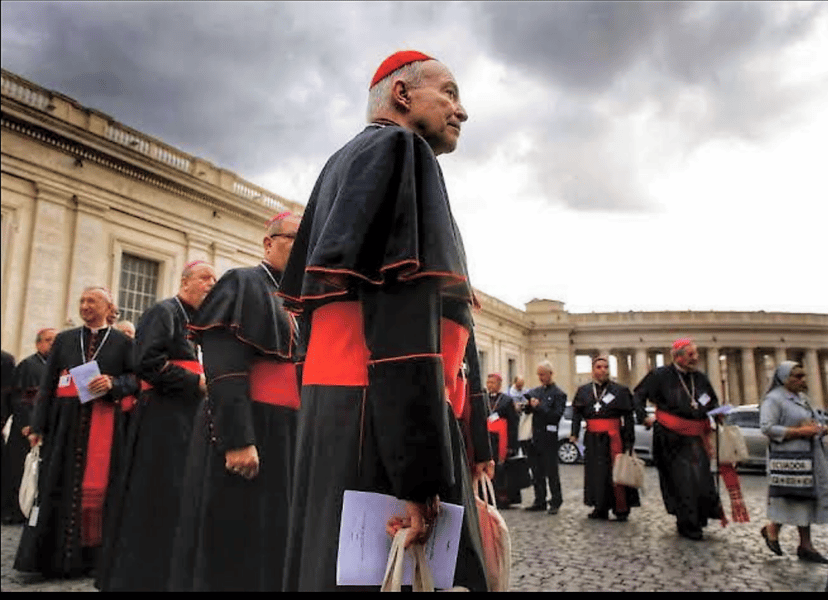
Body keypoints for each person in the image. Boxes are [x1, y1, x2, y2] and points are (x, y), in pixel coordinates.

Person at [278, 50, 492, 591]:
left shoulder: (340, 161)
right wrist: (417, 477)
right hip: (380, 417)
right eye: (449, 91)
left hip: (337, 415)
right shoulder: (402, 148)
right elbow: (404, 327)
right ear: (401, 94)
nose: (461, 110)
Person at [169, 214, 301, 591]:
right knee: (235, 535)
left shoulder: (302, 298)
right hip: (250, 427)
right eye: (294, 237)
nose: (303, 245)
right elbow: (224, 367)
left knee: (275, 533)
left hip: (288, 432)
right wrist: (238, 439)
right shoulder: (242, 283)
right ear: (268, 242)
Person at [96, 261, 216, 591]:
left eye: (214, 280)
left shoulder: (199, 320)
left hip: (187, 416)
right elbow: (146, 363)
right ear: (185, 282)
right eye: (205, 278)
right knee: (155, 494)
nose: (211, 284)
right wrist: (196, 382)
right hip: (161, 418)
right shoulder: (164, 311)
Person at [14, 287, 136, 578]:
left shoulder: (122, 342)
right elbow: (48, 383)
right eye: (81, 301)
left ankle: (92, 559)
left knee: (99, 490)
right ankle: (51, 560)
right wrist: (39, 426)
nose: (84, 306)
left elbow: (136, 380)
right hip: (64, 425)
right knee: (57, 486)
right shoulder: (66, 340)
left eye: (91, 301)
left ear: (109, 307)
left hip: (103, 423)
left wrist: (113, 384)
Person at [633, 338, 724, 540]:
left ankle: (698, 518)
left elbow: (711, 401)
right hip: (670, 437)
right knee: (682, 481)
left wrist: (718, 413)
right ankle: (687, 523)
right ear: (677, 356)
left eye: (696, 354)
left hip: (696, 437)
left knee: (701, 480)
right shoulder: (660, 375)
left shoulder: (700, 378)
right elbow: (638, 396)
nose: (695, 358)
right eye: (691, 355)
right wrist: (643, 417)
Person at [759, 361, 828, 563]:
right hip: (788, 460)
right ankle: (774, 530)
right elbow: (767, 427)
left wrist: (820, 428)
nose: (802, 380)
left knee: (804, 499)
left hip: (809, 456)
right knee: (793, 498)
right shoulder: (773, 400)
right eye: (797, 376)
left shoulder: (802, 398)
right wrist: (798, 432)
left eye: (803, 376)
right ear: (783, 378)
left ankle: (806, 545)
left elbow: (812, 421)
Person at [570, 356, 639, 521]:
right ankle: (599, 507)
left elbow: (628, 416)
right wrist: (574, 433)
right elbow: (577, 414)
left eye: (606, 367)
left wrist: (629, 440)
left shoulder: (620, 390)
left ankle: (620, 508)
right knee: (596, 474)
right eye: (599, 367)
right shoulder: (584, 390)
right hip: (593, 439)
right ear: (593, 370)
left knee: (616, 472)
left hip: (614, 437)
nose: (603, 370)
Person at [2, 329, 56, 524]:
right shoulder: (28, 365)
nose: (52, 344)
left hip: (46, 429)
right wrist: (28, 424)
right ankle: (12, 511)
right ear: (38, 344)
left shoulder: (55, 366)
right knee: (17, 471)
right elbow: (20, 399)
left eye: (55, 341)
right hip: (26, 429)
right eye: (48, 340)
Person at [522, 361, 567, 515]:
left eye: (542, 374)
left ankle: (555, 500)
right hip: (534, 437)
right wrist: (527, 405)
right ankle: (539, 500)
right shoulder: (535, 391)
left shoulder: (559, 394)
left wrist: (539, 406)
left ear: (550, 374)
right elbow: (528, 411)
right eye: (538, 374)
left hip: (549, 438)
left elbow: (555, 416)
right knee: (536, 471)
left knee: (551, 471)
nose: (540, 377)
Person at [486, 373, 521, 508]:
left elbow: (513, 423)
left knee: (502, 470)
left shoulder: (506, 400)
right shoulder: (484, 399)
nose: (489, 385)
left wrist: (512, 445)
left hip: (502, 438)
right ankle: (489, 497)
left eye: (492, 383)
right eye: (488, 382)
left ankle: (503, 498)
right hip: (489, 438)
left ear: (499, 385)